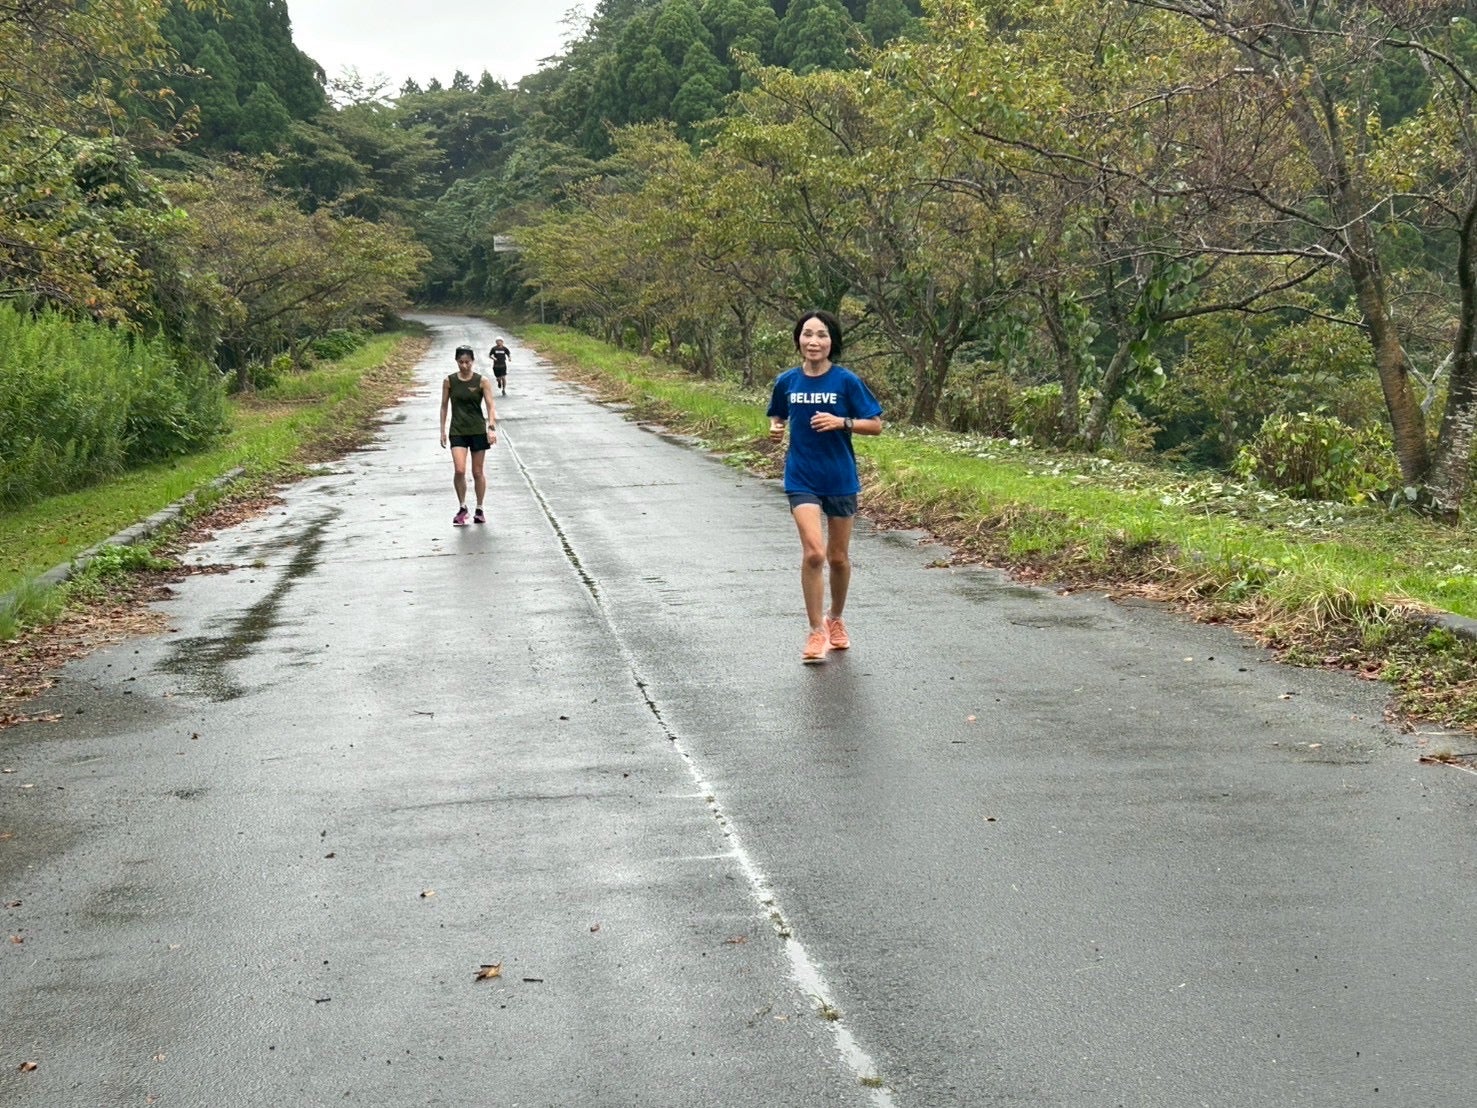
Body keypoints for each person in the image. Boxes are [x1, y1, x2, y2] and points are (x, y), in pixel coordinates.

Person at [767, 310, 883, 664]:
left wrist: (842, 422)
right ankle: (816, 630)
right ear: (798, 339)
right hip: (801, 476)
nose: (813, 341)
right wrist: (776, 428)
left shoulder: (846, 381)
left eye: (821, 335)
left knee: (838, 558)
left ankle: (835, 618)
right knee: (814, 553)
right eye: (807, 334)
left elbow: (875, 425)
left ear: (832, 341)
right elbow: (778, 414)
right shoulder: (787, 381)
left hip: (839, 477)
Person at [438, 345, 498, 526]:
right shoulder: (449, 381)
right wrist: (442, 430)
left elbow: (490, 405)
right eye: (461, 362)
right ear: (456, 361)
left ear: (473, 361)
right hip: (458, 431)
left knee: (477, 472)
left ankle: (479, 508)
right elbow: (444, 406)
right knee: (459, 470)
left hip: (477, 430)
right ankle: (462, 507)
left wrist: (491, 428)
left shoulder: (482, 381)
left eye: (467, 362)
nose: (464, 366)